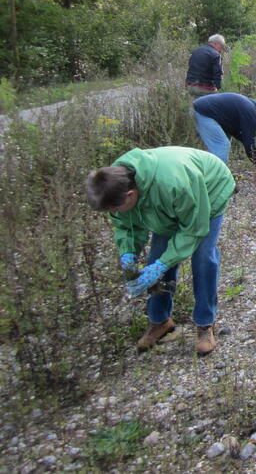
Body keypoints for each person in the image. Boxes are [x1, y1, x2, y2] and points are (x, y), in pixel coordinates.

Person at [85, 146, 235, 355]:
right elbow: (126, 224)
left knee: (202, 258)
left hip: (209, 189)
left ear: (131, 195)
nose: (113, 214)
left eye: (114, 209)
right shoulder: (114, 181)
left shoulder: (174, 182)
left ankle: (204, 323)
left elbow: (193, 228)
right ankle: (160, 321)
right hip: (169, 200)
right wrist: (128, 254)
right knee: (157, 256)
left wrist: (163, 264)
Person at [192, 93, 256, 174]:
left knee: (225, 141)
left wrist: (247, 144)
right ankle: (218, 177)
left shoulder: (248, 106)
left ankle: (215, 172)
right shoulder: (251, 111)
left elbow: (240, 134)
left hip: (204, 109)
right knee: (222, 145)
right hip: (204, 112)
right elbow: (249, 141)